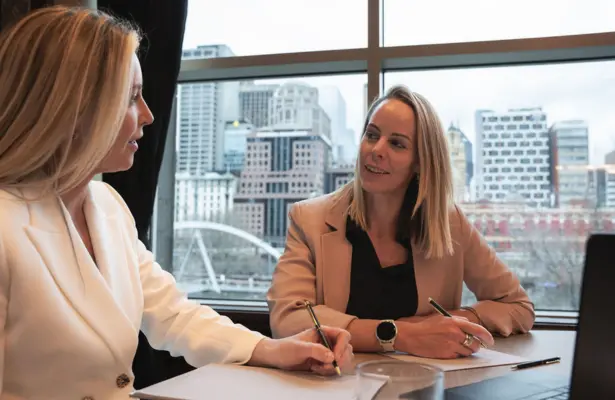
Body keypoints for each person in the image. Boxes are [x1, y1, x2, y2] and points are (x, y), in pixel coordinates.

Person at [0, 6, 353, 400]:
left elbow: (171, 313)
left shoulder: (108, 206)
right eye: (132, 98)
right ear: (74, 107)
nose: (148, 115)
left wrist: (273, 349)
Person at [267, 85, 535, 360]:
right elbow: (287, 320)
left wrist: (457, 319)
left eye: (397, 144)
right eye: (371, 135)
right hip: (337, 385)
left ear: (421, 161)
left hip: (428, 385)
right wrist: (400, 334)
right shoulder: (309, 219)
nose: (376, 150)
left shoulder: (449, 222)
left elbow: (518, 306)